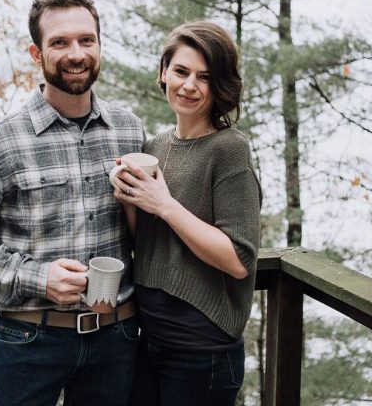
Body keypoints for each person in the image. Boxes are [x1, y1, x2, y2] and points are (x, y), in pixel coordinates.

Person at [0, 0, 145, 406]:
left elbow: (150, 229)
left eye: (87, 40)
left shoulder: (129, 130)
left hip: (117, 338)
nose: (76, 53)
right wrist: (38, 277)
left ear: (99, 46)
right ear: (37, 54)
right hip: (29, 337)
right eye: (60, 42)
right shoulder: (1, 143)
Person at [111, 21, 262, 406]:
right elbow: (147, 241)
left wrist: (164, 204)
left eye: (204, 77)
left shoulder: (229, 149)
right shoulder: (155, 147)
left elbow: (238, 259)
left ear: (220, 86)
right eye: (181, 72)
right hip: (149, 338)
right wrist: (130, 198)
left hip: (202, 352)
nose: (189, 86)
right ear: (164, 73)